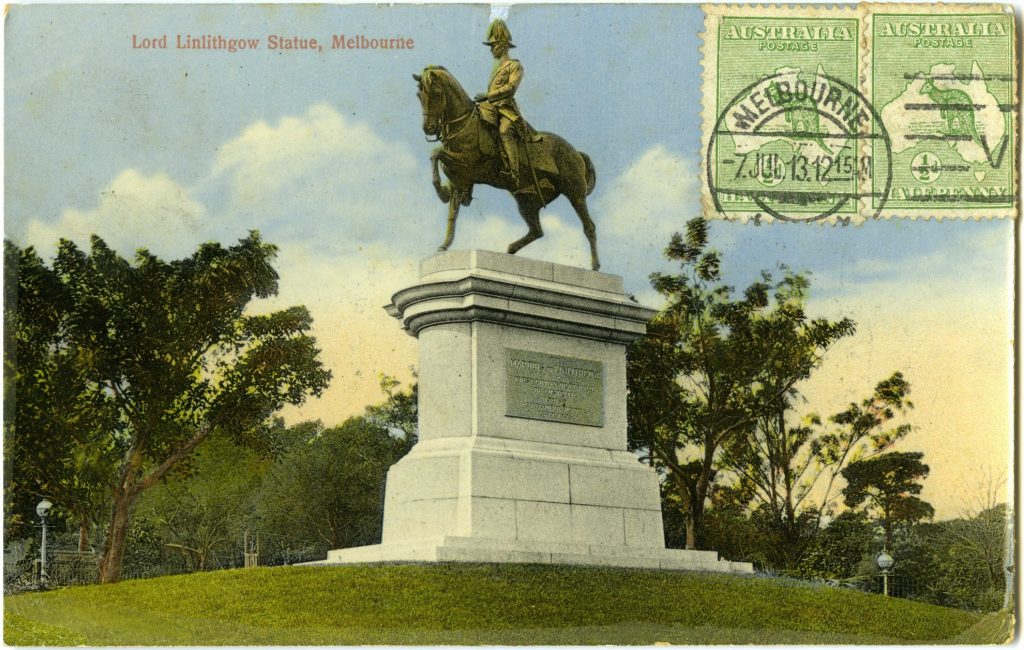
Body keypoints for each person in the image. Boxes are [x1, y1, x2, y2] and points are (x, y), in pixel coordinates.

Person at [474, 19, 530, 187]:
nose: (491, 50)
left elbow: (511, 88)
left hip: (507, 110)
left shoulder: (515, 66)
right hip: (492, 108)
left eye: (493, 45)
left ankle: (514, 173)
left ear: (503, 45)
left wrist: (488, 95)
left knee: (505, 131)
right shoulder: (496, 68)